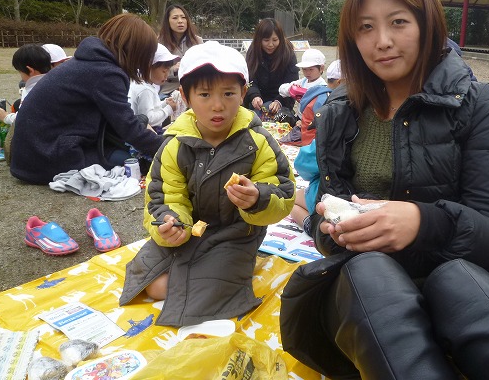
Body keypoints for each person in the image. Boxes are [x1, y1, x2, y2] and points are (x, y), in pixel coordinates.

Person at [279, 0, 489, 379]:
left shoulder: (476, 104)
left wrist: (422, 222)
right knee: (369, 271)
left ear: (426, 23)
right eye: (366, 28)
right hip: (369, 295)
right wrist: (333, 228)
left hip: (465, 280)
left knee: (456, 280)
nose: (382, 41)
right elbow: (329, 221)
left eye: (398, 22)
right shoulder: (340, 112)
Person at [119, 41, 296, 327]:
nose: (217, 105)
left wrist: (257, 198)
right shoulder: (175, 145)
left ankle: (216, 274)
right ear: (185, 96)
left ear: (243, 93)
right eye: (204, 94)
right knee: (149, 280)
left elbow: (283, 191)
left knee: (197, 292)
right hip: (190, 230)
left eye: (228, 93)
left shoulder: (257, 141)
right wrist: (171, 223)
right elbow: (164, 195)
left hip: (235, 233)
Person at [10, 13, 164, 184]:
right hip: (45, 156)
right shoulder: (106, 72)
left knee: (134, 139)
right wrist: (168, 148)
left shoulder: (92, 60)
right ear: (136, 51)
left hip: (33, 151)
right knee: (133, 162)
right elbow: (127, 127)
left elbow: (119, 120)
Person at [288, 60, 344, 229]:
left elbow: (304, 163)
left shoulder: (334, 109)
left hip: (330, 193)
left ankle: (311, 226)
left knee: (289, 200)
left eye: (310, 69)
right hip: (360, 198)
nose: (307, 72)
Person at [244, 18, 298, 117]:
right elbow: (250, 80)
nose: (270, 44)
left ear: (280, 38)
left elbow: (292, 84)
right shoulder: (253, 52)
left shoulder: (288, 54)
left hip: (282, 100)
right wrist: (254, 96)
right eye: (266, 40)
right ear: (259, 39)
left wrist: (279, 101)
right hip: (257, 101)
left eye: (275, 40)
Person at [0, 44, 51, 126]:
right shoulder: (55, 82)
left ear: (30, 70)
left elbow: (24, 119)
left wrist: (6, 117)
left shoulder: (32, 91)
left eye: (20, 72)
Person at [128, 43, 179, 130]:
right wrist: (169, 109)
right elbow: (149, 119)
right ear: (148, 68)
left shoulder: (143, 84)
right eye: (164, 71)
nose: (167, 75)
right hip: (148, 132)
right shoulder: (145, 90)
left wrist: (164, 103)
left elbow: (151, 108)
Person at [158, 4, 203, 96]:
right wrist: (173, 70)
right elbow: (153, 71)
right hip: (168, 90)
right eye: (175, 18)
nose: (180, 21)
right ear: (167, 21)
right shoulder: (159, 42)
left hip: (193, 89)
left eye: (183, 17)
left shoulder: (197, 41)